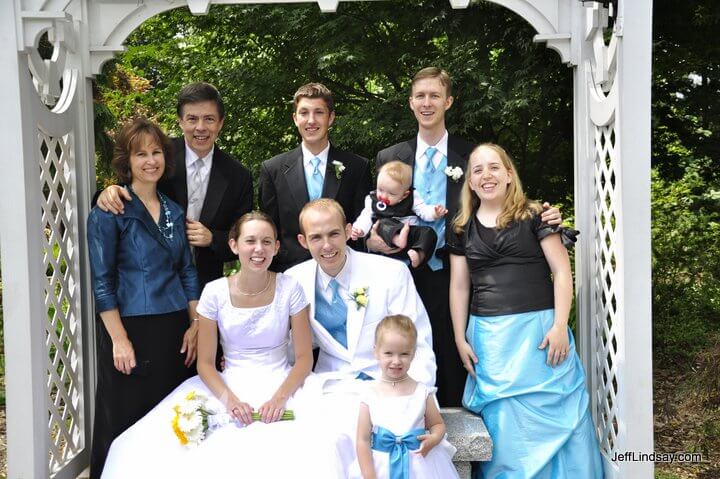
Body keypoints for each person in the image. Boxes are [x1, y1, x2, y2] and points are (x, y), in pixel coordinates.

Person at [373, 67, 562, 406]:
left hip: (458, 270)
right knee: (403, 352)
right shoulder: (390, 157)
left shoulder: (472, 155)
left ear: (448, 101)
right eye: (420, 96)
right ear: (410, 103)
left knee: (456, 355)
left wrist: (546, 214)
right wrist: (373, 239)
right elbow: (378, 212)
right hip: (404, 272)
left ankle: (460, 443)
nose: (426, 103)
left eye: (434, 96)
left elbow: (503, 202)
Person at [100, 212, 339, 478]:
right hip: (228, 384)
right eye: (250, 241)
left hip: (283, 381)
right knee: (147, 448)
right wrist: (231, 401)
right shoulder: (214, 292)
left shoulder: (289, 287)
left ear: (276, 247)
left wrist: (279, 399)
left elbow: (305, 358)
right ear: (234, 245)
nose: (259, 249)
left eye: (266, 241)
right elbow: (205, 363)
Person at [448, 143, 602, 478]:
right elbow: (460, 286)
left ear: (508, 174)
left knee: (562, 416)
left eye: (493, 167)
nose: (486, 175)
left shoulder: (535, 217)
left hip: (540, 333)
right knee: (506, 426)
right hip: (492, 341)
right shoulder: (461, 227)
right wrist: (460, 338)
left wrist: (560, 325)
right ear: (470, 183)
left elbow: (561, 272)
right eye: (477, 170)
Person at [285, 198, 437, 475]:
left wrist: (416, 400)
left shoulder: (390, 272)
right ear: (303, 241)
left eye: (333, 234)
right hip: (329, 388)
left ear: (348, 230)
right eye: (316, 237)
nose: (327, 245)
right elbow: (289, 347)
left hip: (387, 385)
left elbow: (419, 341)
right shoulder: (293, 281)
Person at [87, 118, 200, 478]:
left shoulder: (174, 210)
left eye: (156, 152)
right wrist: (118, 340)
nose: (150, 160)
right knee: (123, 421)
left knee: (170, 422)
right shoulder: (110, 210)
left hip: (174, 331)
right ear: (127, 161)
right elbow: (102, 281)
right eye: (141, 154)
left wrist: (195, 324)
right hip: (130, 331)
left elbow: (187, 271)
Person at [96, 82, 253, 288]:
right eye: (192, 119)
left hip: (205, 286)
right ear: (180, 121)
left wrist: (213, 239)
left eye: (209, 119)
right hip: (149, 283)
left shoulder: (238, 176)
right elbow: (125, 192)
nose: (200, 127)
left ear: (221, 123)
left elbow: (244, 237)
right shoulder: (157, 157)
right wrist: (108, 192)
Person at [259, 82, 370, 272]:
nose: (311, 120)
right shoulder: (273, 169)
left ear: (331, 117)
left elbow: (364, 220)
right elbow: (271, 231)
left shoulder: (357, 167)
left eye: (319, 112)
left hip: (347, 269)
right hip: (292, 272)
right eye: (304, 113)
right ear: (295, 118)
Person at [353, 315, 459, 479]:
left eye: (404, 354)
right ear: (376, 352)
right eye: (388, 353)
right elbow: (362, 440)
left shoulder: (422, 392)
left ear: (413, 354)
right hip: (382, 467)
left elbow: (437, 424)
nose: (396, 361)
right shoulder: (369, 394)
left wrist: (434, 438)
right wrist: (369, 475)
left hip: (420, 465)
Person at [351, 160, 444, 268]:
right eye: (380, 190)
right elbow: (365, 217)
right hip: (385, 239)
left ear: (404, 195)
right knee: (383, 223)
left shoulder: (412, 197)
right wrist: (359, 229)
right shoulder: (372, 200)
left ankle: (417, 253)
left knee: (428, 232)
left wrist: (434, 212)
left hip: (408, 240)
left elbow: (423, 210)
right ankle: (396, 238)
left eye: (391, 193)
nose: (383, 196)